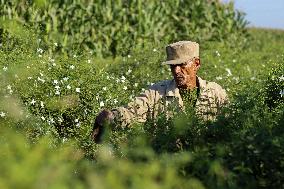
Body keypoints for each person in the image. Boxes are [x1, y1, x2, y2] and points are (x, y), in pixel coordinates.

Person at [91, 41, 228, 143]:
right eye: (173, 66)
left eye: (182, 64)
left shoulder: (215, 93)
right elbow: (132, 112)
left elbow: (231, 126)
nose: (176, 71)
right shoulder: (156, 93)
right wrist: (113, 116)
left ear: (197, 64)